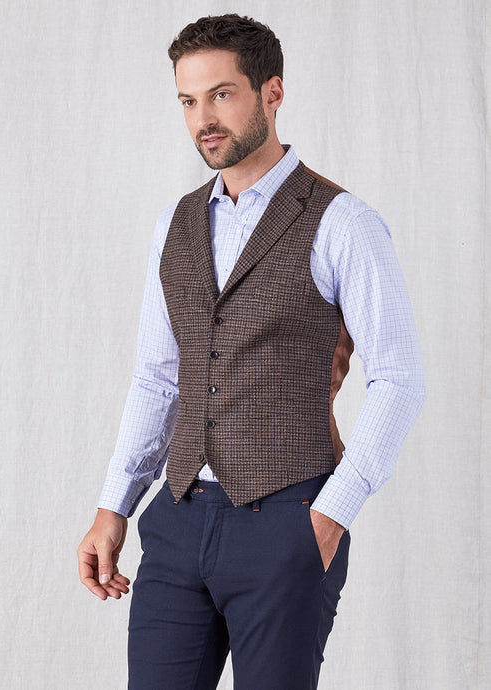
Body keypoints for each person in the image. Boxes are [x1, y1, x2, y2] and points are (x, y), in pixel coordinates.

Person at [77, 13, 426, 690]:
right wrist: (113, 506)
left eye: (222, 94)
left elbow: (398, 378)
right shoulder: (175, 224)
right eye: (188, 100)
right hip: (177, 523)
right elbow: (159, 378)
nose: (203, 119)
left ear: (273, 92)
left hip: (288, 519)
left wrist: (330, 515)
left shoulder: (342, 222)